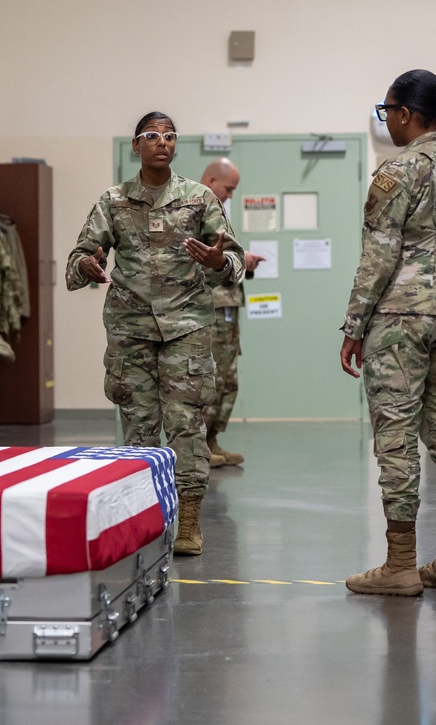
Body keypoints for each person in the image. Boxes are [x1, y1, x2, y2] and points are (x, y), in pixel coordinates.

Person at [66, 111, 244, 556]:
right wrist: (88, 266)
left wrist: (217, 263)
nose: (161, 142)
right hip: (132, 331)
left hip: (186, 325)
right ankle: (145, 517)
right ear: (136, 145)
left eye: (169, 136)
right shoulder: (114, 201)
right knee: (139, 430)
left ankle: (188, 523)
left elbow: (234, 263)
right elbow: (77, 260)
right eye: (151, 135)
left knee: (186, 426)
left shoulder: (199, 199)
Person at [340, 70, 436, 596]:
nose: (388, 121)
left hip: (401, 318)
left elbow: (378, 256)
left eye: (387, 112)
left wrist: (354, 325)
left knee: (395, 436)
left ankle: (400, 564)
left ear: (405, 114)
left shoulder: (396, 171)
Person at [199, 158, 264, 467]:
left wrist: (244, 261)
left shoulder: (217, 210)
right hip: (209, 308)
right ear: (212, 180)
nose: (230, 195)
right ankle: (198, 446)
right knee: (209, 378)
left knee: (227, 380)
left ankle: (212, 439)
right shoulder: (194, 209)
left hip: (227, 307)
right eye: (229, 188)